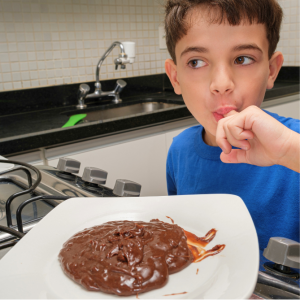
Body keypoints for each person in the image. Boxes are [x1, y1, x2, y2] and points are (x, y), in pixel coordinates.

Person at [164, 0, 300, 250]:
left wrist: (289, 151)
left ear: (271, 70)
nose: (221, 83)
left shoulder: (294, 141)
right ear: (175, 77)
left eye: (242, 59)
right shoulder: (179, 151)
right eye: (196, 62)